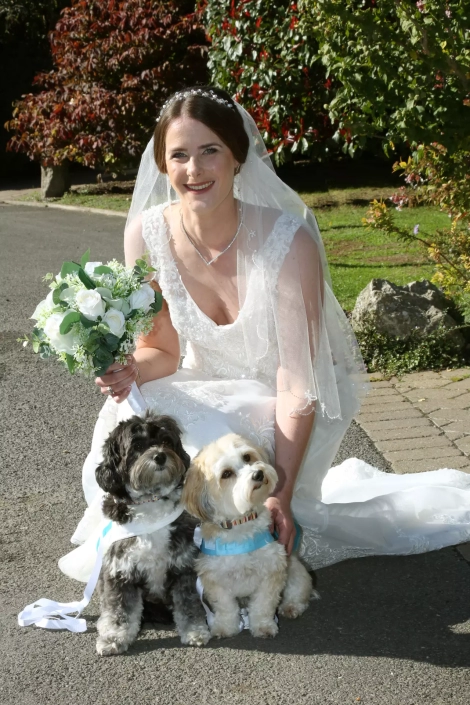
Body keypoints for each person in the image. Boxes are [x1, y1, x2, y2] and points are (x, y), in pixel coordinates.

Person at [60, 86, 470, 582]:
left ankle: (206, 542)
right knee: (130, 412)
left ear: (237, 155)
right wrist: (129, 371)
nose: (194, 169)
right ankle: (156, 544)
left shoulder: (287, 241)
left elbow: (297, 382)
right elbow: (161, 350)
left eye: (210, 150)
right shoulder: (147, 235)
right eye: (180, 155)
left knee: (215, 443)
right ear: (163, 165)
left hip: (279, 402)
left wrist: (283, 492)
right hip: (201, 383)